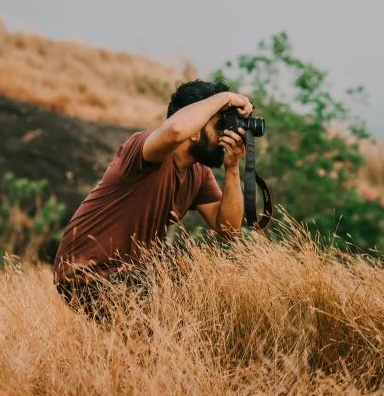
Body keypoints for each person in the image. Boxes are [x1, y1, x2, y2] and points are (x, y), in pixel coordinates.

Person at [54, 79, 252, 320]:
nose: (225, 135)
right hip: (86, 274)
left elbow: (229, 231)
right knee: (179, 297)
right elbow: (175, 130)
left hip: (129, 275)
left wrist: (232, 168)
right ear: (194, 131)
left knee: (189, 268)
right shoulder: (147, 148)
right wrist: (224, 99)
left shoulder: (198, 173)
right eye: (219, 126)